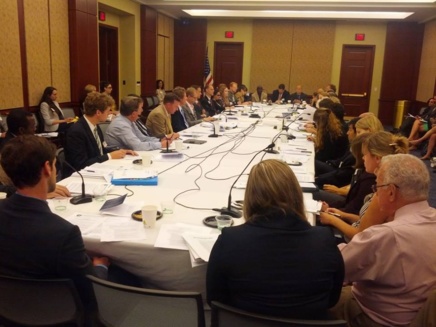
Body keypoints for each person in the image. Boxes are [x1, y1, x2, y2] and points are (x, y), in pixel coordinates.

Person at [207, 159, 344, 319]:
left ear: (250, 196)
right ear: (296, 194)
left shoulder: (229, 240)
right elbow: (331, 300)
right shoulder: (324, 240)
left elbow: (215, 301)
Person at [0, 135, 109, 323]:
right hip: (60, 317)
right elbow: (92, 290)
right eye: (54, 164)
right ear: (47, 168)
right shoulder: (64, 233)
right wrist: (100, 266)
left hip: (8, 311)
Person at [330, 154, 436, 326]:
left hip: (373, 317)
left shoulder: (386, 236)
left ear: (392, 192)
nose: (375, 193)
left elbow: (336, 268)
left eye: (377, 187)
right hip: (418, 314)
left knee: (308, 297)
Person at [319, 131, 408, 242]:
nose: (363, 158)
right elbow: (367, 222)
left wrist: (332, 220)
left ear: (377, 158)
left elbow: (360, 235)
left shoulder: (384, 191)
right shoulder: (388, 183)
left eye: (365, 154)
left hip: (355, 245)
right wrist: (342, 215)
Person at [0, 109, 70, 199]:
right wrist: (38, 193)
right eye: (33, 126)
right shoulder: (9, 150)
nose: (35, 129)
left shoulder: (27, 142)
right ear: (21, 130)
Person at [65, 92, 135, 173]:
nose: (110, 113)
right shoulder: (76, 132)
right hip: (80, 177)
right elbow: (81, 165)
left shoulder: (95, 126)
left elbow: (101, 151)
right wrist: (109, 156)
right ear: (98, 113)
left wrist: (121, 151)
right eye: (108, 111)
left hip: (98, 170)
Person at [105, 96, 169, 151]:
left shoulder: (129, 120)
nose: (142, 110)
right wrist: (160, 145)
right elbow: (137, 146)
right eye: (141, 108)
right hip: (119, 160)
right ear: (133, 113)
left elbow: (142, 138)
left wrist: (160, 140)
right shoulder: (121, 125)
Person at [315, 117, 360, 189]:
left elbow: (341, 175)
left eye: (350, 130)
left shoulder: (356, 153)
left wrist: (317, 179)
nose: (347, 133)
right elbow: (341, 160)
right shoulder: (352, 146)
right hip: (337, 169)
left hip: (339, 179)